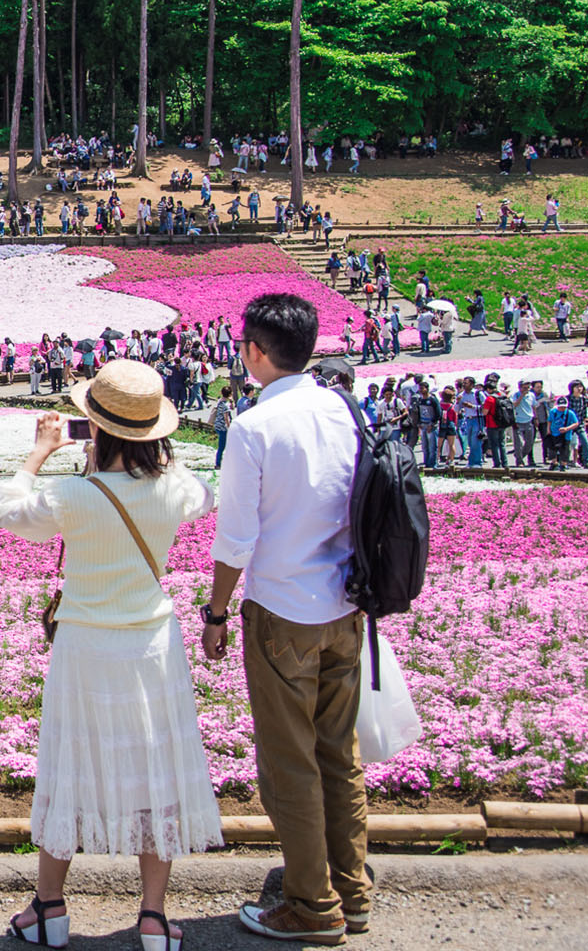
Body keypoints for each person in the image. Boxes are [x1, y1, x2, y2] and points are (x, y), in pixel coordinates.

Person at [0, 364, 218, 951]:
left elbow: (12, 514)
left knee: (70, 767)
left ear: (96, 428)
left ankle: (49, 909)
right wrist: (158, 456)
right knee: (155, 773)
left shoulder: (73, 495)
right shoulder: (175, 489)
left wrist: (38, 454)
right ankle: (152, 917)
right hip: (151, 649)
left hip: (85, 649)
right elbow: (203, 492)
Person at [202, 293, 370, 944]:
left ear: (254, 352)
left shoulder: (253, 428)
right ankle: (351, 892)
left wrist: (216, 611)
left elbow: (235, 539)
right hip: (346, 608)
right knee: (339, 755)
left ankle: (310, 904)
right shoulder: (344, 408)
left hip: (282, 613)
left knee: (289, 763)